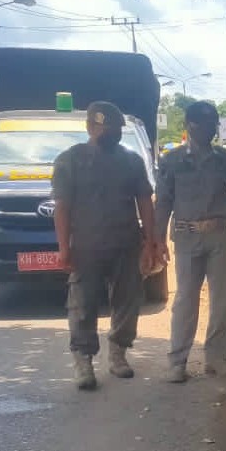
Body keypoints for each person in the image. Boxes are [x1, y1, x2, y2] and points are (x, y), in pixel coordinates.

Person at [52, 101, 156, 390]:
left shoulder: (132, 161)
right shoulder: (69, 160)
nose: (112, 133)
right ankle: (83, 361)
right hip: (86, 244)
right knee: (82, 304)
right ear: (90, 127)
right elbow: (62, 207)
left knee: (128, 300)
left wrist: (150, 241)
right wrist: (64, 248)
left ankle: (118, 353)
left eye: (115, 129)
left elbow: (145, 202)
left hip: (125, 242)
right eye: (104, 128)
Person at [155, 101, 226, 382]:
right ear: (190, 126)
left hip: (219, 235)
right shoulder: (171, 161)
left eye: (213, 124)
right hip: (186, 237)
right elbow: (163, 202)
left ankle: (216, 358)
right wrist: (157, 241)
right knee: (185, 299)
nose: (210, 130)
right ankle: (178, 361)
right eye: (204, 124)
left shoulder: (224, 158)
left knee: (223, 298)